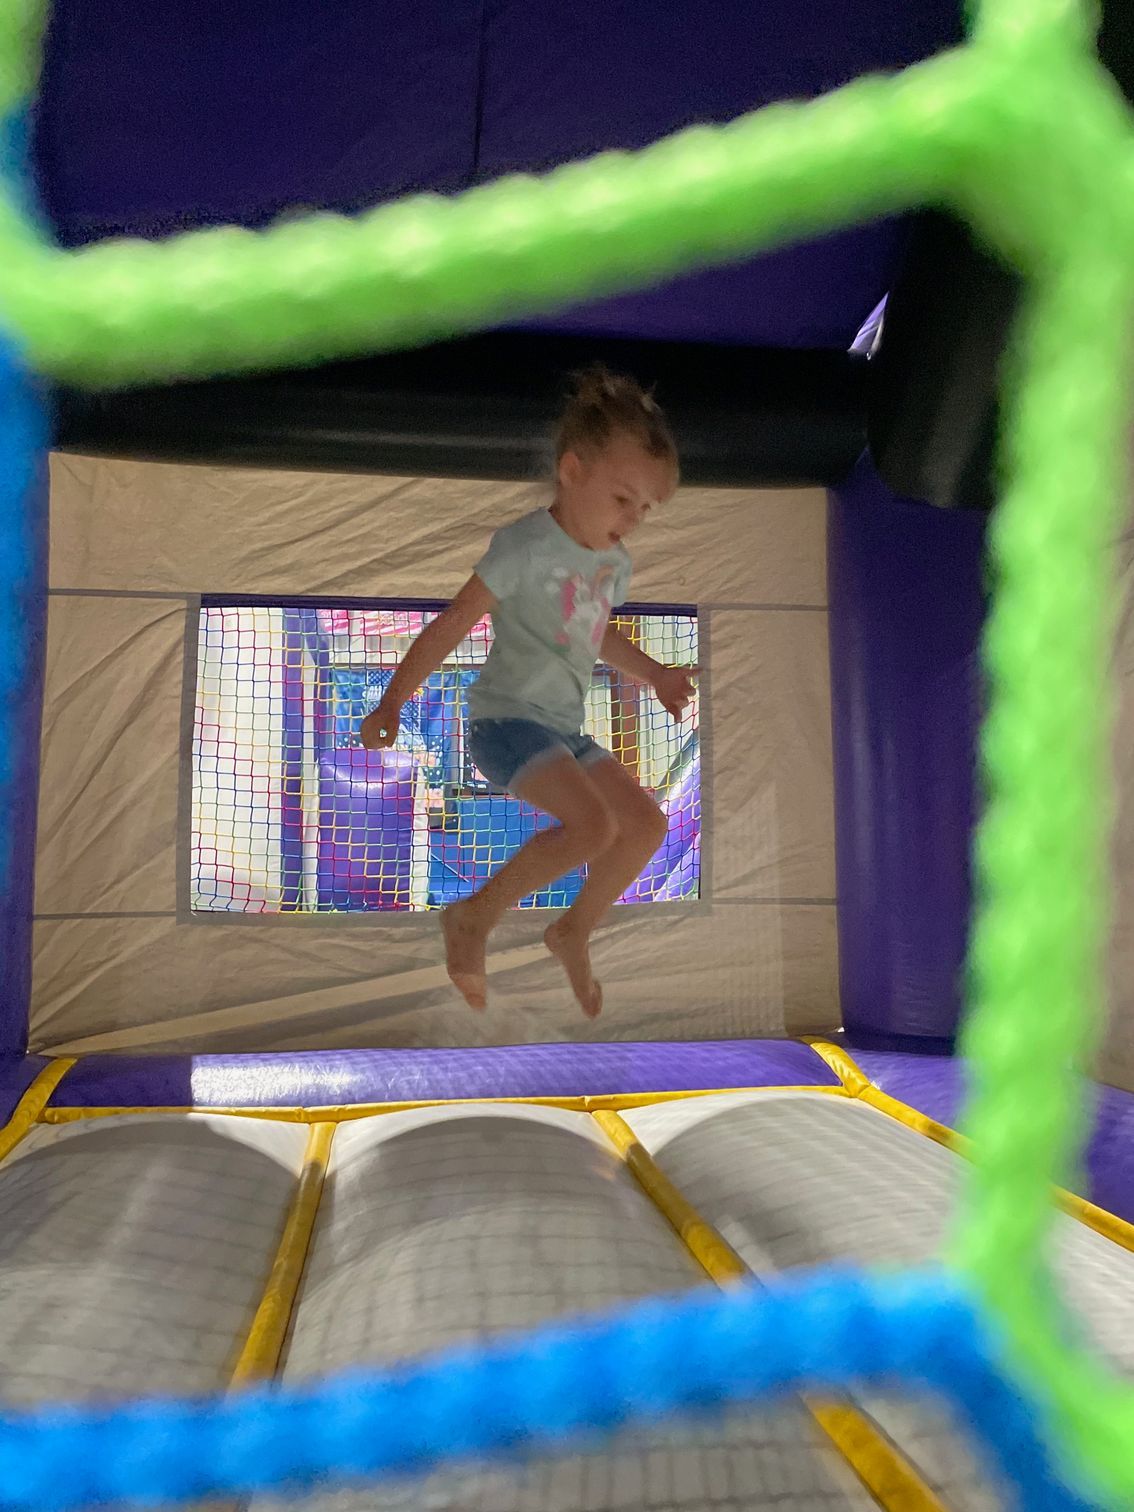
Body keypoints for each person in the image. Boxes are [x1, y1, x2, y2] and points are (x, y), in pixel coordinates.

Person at [361, 365, 696, 1016]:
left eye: (647, 509)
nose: (634, 519)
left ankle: (572, 930)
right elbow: (454, 622)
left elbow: (593, 634)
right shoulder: (525, 547)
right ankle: (472, 918)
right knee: (593, 824)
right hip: (506, 721)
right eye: (623, 498)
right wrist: (394, 700)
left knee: (645, 825)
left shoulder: (613, 564)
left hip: (562, 729)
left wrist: (655, 672)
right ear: (573, 473)